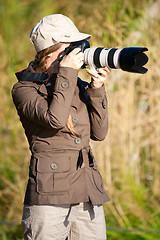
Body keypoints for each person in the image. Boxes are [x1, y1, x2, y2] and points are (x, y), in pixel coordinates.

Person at [12, 14, 110, 240]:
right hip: (49, 197)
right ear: (50, 51)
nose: (77, 54)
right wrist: (67, 73)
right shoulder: (25, 89)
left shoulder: (75, 85)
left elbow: (99, 133)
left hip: (87, 193)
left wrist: (96, 88)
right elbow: (55, 119)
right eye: (70, 48)